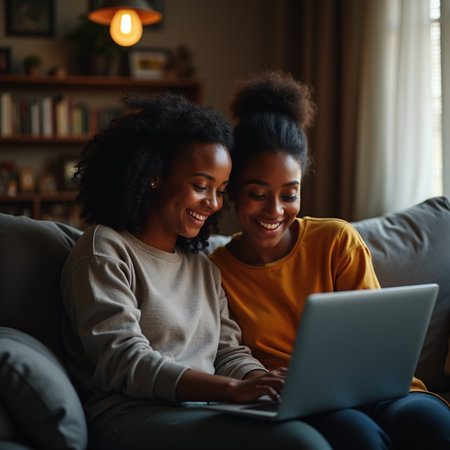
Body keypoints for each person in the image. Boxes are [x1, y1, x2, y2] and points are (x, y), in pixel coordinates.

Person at [60, 93, 332, 450]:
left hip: (205, 409)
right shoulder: (105, 248)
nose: (214, 204)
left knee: (319, 429)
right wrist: (232, 390)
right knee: (301, 443)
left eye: (220, 191)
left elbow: (227, 353)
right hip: (130, 415)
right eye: (201, 187)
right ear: (154, 176)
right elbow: (123, 360)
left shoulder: (203, 266)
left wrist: (266, 384)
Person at [209, 70, 450, 450]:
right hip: (310, 406)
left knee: (433, 424)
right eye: (257, 193)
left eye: (289, 194)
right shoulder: (216, 271)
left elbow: (377, 341)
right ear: (233, 191)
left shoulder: (336, 239)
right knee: (359, 436)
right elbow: (229, 356)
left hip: (387, 392)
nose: (274, 210)